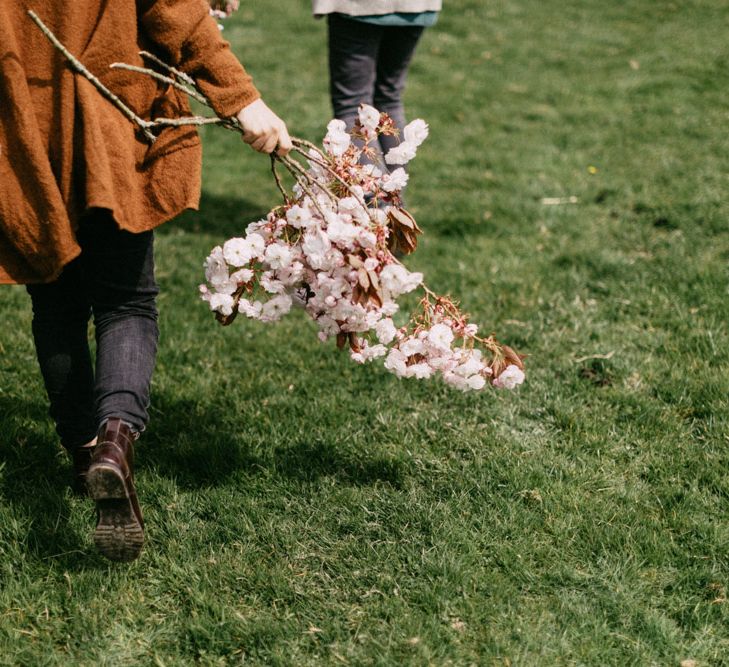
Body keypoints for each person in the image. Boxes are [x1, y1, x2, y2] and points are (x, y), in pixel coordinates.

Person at [0, 0, 291, 562]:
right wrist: (243, 98)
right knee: (126, 302)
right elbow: (171, 9)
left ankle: (86, 456)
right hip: (106, 121)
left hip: (23, 126)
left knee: (54, 303)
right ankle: (115, 439)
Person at [313, 0, 441, 165]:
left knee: (354, 107)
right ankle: (389, 190)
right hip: (413, 5)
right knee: (388, 98)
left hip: (359, 7)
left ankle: (370, 190)